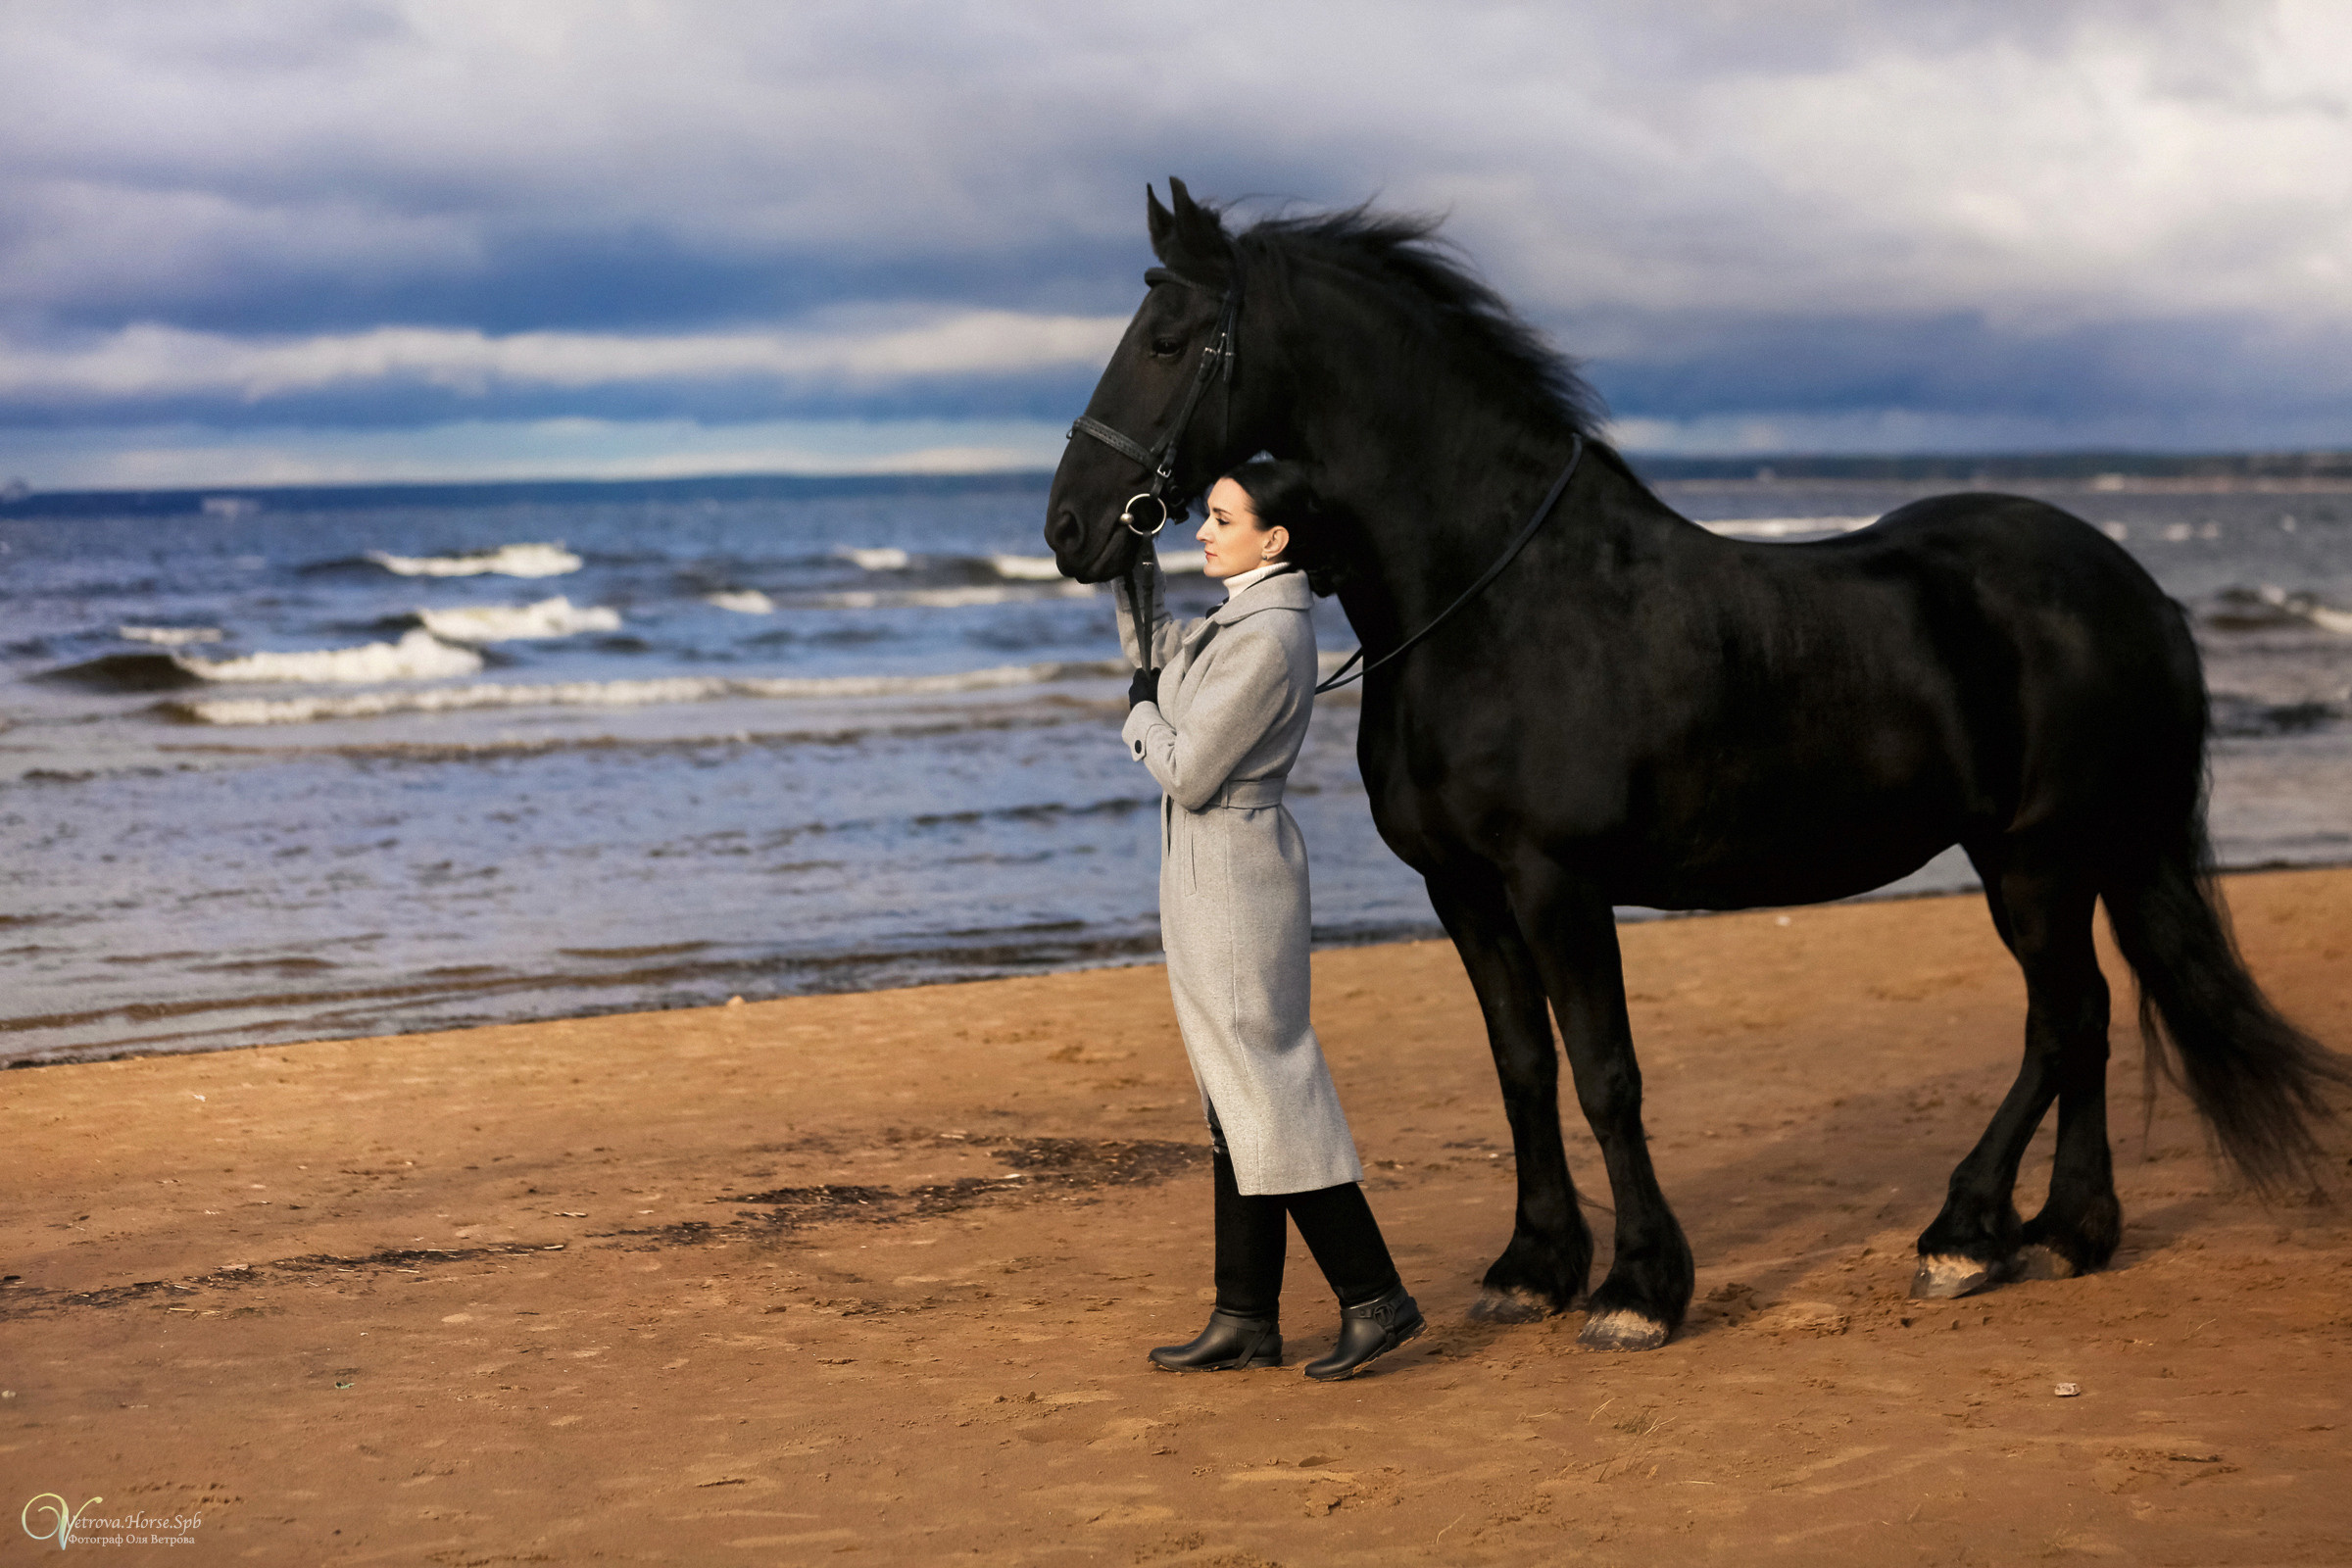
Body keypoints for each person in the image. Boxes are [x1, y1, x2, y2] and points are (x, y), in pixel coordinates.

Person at [1116, 458, 1422, 1381]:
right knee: (1232, 1094)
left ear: (1274, 538)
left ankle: (1376, 1297)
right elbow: (1161, 656)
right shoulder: (1241, 616)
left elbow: (1189, 769)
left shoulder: (1268, 634)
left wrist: (1137, 718)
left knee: (1268, 1086)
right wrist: (1130, 564)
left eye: (1219, 518)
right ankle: (1245, 1313)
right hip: (1215, 870)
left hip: (1238, 875)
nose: (1201, 532)